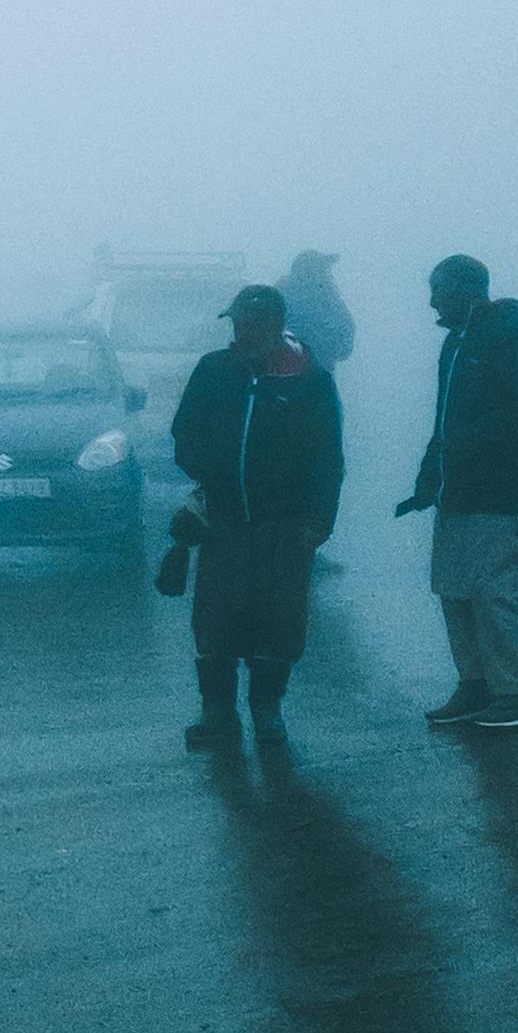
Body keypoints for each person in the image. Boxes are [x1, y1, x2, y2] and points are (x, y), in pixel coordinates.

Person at [169, 286, 344, 750]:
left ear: (271, 326)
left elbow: (329, 457)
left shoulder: (309, 379)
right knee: (216, 618)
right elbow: (184, 432)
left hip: (285, 525)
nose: (239, 333)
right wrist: (209, 474)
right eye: (236, 324)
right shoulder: (214, 370)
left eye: (247, 324)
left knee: (279, 620)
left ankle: (267, 712)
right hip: (223, 521)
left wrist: (320, 520)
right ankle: (218, 713)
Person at [397, 255, 518, 733]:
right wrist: (429, 481)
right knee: (453, 588)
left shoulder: (517, 338)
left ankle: (516, 694)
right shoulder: (456, 343)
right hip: (456, 490)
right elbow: (443, 421)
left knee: (492, 593)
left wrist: (468, 449)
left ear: (467, 291)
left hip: (497, 490)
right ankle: (475, 684)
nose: (431, 303)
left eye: (437, 291)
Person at [280, 251, 356, 370]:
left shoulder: (279, 294)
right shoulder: (326, 298)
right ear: (312, 271)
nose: (330, 274)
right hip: (318, 376)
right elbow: (344, 344)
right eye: (325, 269)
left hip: (279, 375)